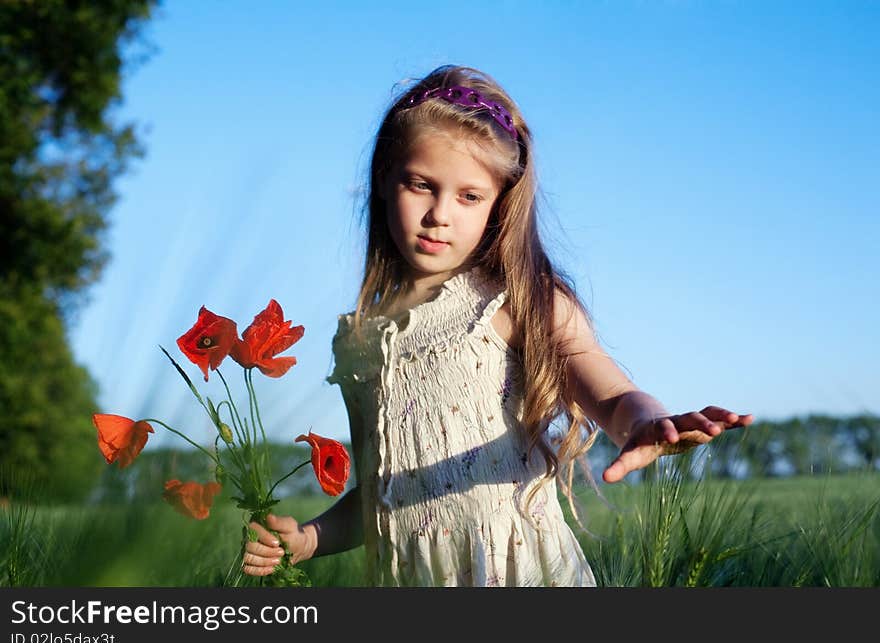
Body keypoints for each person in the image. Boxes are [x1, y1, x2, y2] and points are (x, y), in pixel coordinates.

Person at [241, 64, 754, 587]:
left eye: (469, 196)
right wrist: (307, 540)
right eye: (421, 184)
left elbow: (613, 395)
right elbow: (383, 493)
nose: (440, 213)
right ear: (383, 179)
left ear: (498, 203)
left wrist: (645, 424)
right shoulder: (356, 340)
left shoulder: (515, 301)